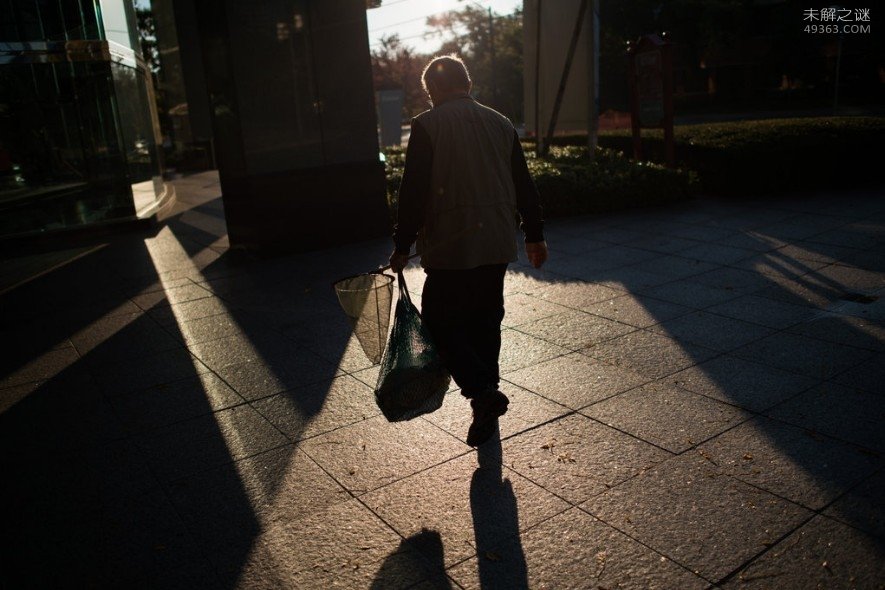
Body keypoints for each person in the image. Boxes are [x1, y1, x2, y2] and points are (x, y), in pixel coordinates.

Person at [389, 54, 548, 447]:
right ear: (469, 84)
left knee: (441, 326)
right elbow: (524, 183)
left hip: (450, 244)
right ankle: (485, 407)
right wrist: (535, 234)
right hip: (496, 240)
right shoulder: (501, 122)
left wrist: (401, 244)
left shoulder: (427, 125)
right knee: (485, 322)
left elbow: (413, 193)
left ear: (433, 92)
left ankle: (482, 393)